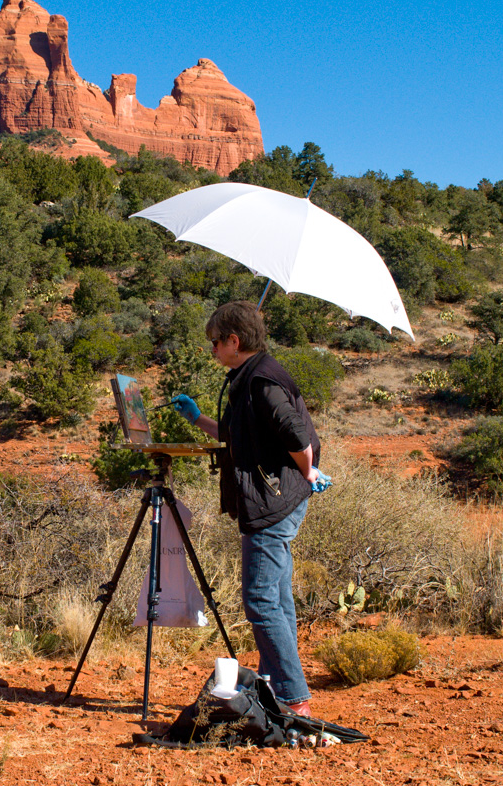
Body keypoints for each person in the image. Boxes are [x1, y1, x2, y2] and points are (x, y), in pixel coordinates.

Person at [171, 301, 330, 717]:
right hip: (278, 501)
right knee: (276, 597)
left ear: (234, 341)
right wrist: (198, 419)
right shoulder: (252, 376)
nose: (212, 351)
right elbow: (238, 434)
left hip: (272, 504)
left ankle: (294, 701)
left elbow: (297, 436)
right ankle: (281, 688)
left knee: (260, 599)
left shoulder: (261, 382)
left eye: (215, 343)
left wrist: (309, 473)